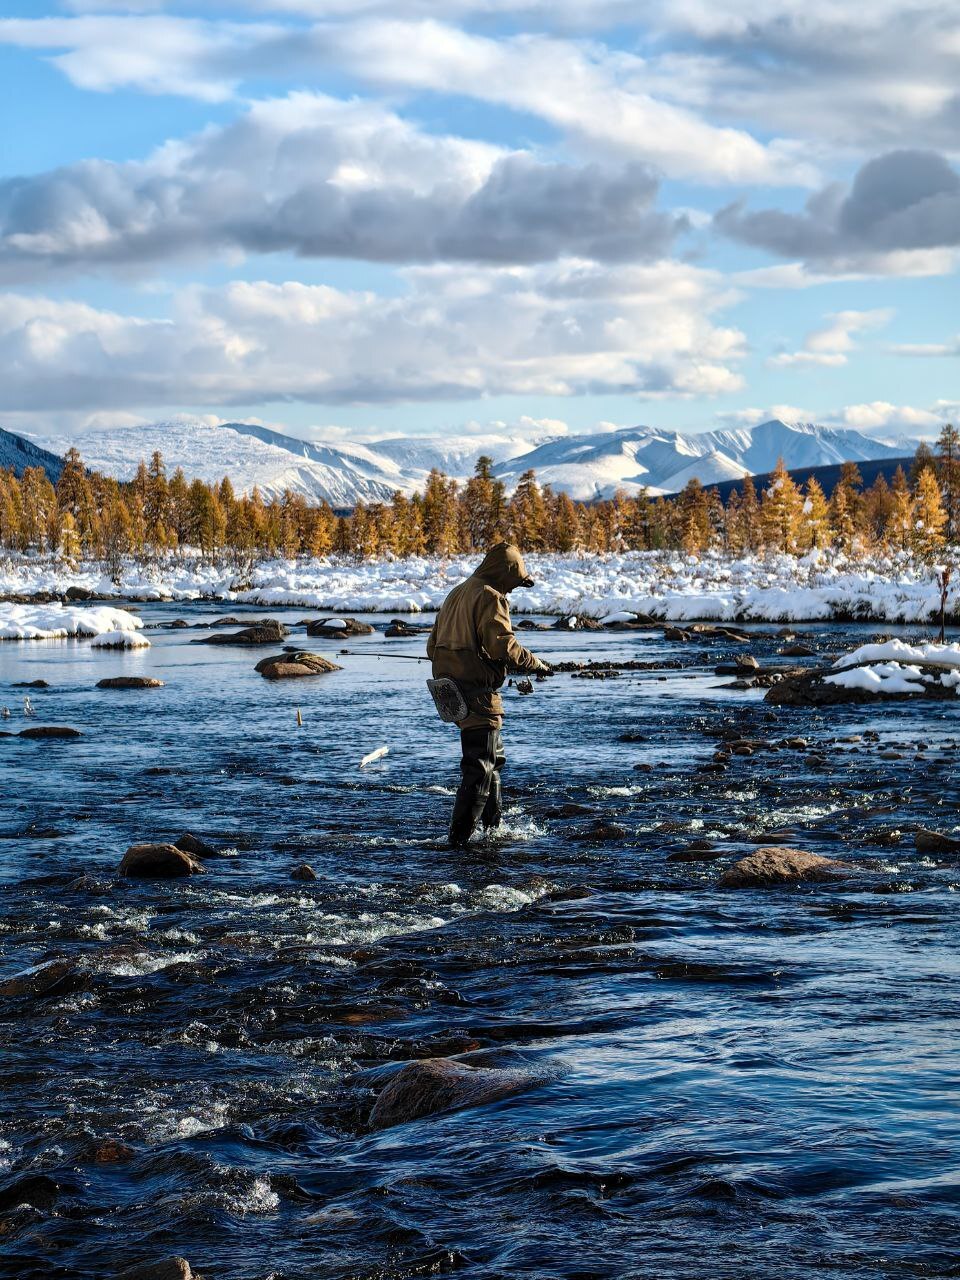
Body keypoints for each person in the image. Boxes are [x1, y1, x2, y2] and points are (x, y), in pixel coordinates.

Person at [427, 542, 549, 848]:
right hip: (477, 694)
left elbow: (431, 647)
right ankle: (459, 842)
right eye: (514, 583)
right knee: (480, 767)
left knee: (492, 760)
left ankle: (492, 832)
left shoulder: (458, 592)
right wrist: (534, 663)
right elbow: (501, 645)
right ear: (505, 574)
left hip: (450, 692)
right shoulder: (490, 596)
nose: (512, 591)